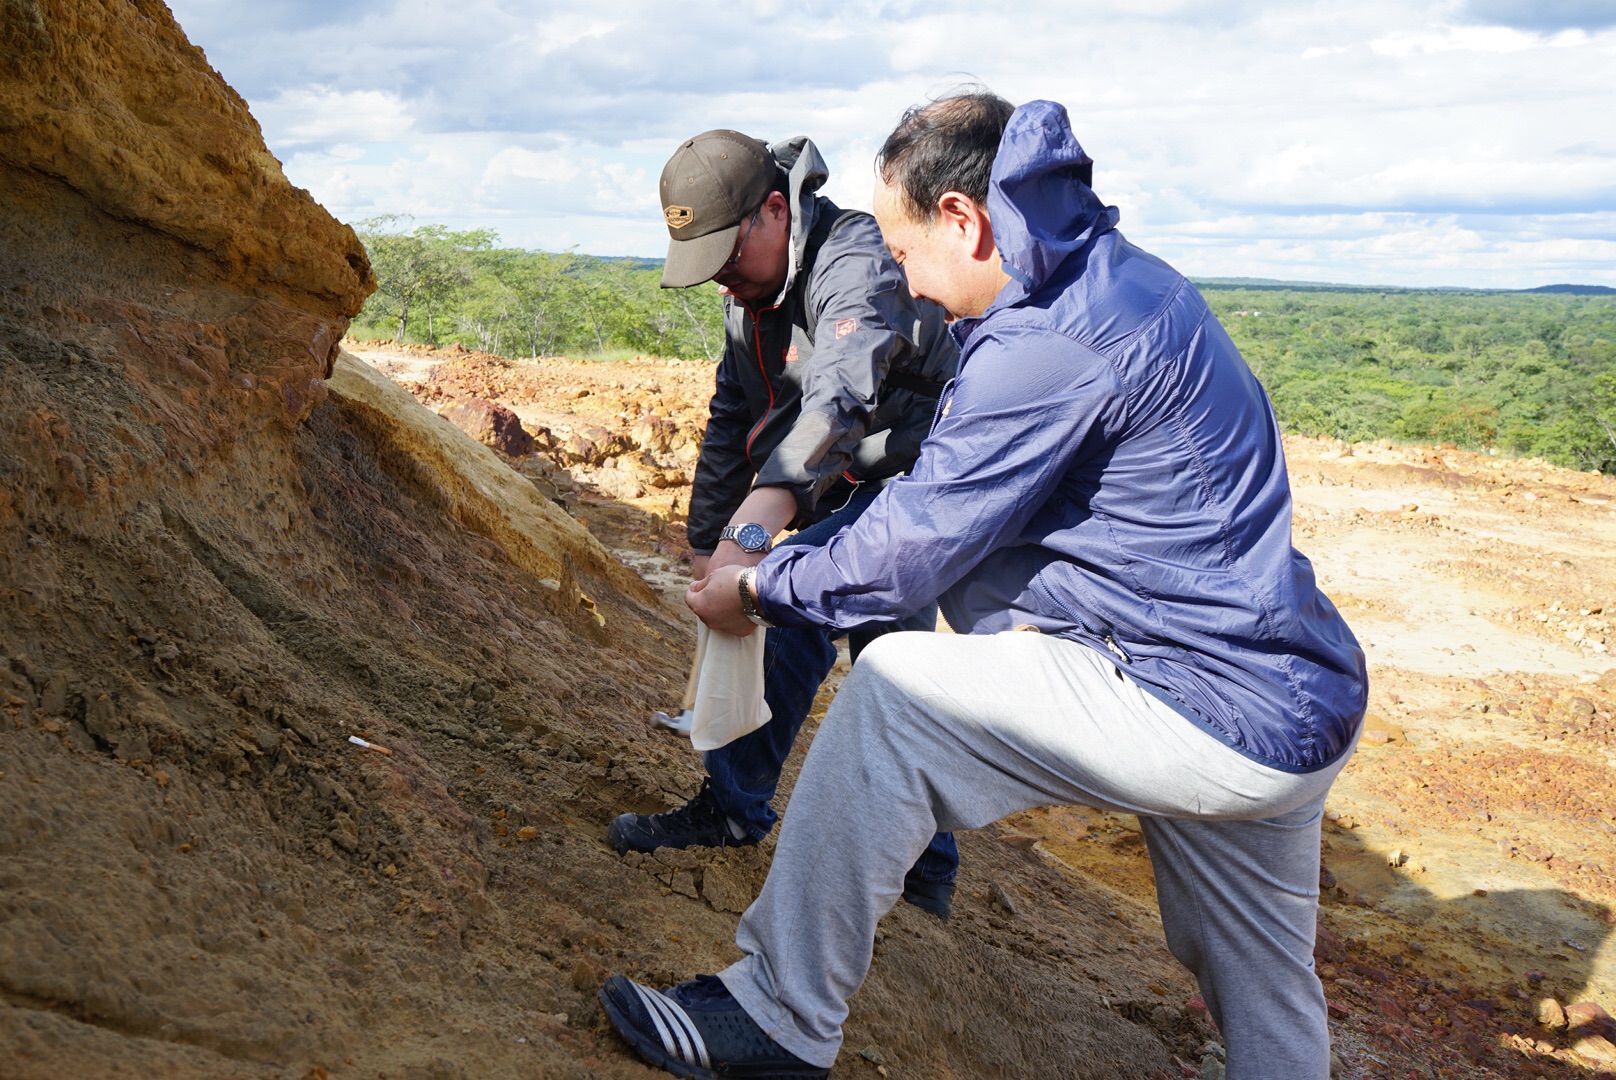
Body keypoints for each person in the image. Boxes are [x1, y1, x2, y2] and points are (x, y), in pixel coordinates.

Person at [599, 92, 1368, 1080]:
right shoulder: (1113, 284)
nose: (900, 271)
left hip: (1192, 696)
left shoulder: (1051, 341)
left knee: (893, 697)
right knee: (1263, 990)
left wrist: (753, 585)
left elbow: (912, 540)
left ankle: (777, 1018)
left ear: (962, 219)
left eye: (904, 246)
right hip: (1288, 692)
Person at [605, 128, 963, 917]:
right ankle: (755, 811)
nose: (723, 283)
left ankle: (917, 869)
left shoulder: (857, 261)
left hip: (919, 477)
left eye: (728, 257)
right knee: (836, 637)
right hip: (838, 479)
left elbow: (838, 397)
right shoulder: (754, 299)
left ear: (776, 210)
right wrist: (709, 543)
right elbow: (736, 410)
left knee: (861, 647)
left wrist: (756, 531)